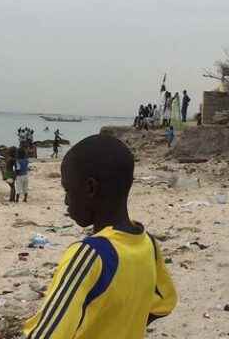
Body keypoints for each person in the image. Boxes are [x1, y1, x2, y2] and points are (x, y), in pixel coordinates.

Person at [22, 134, 176, 338]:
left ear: (90, 188)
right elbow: (164, 302)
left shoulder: (89, 255)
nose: (66, 201)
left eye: (68, 190)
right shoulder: (148, 244)